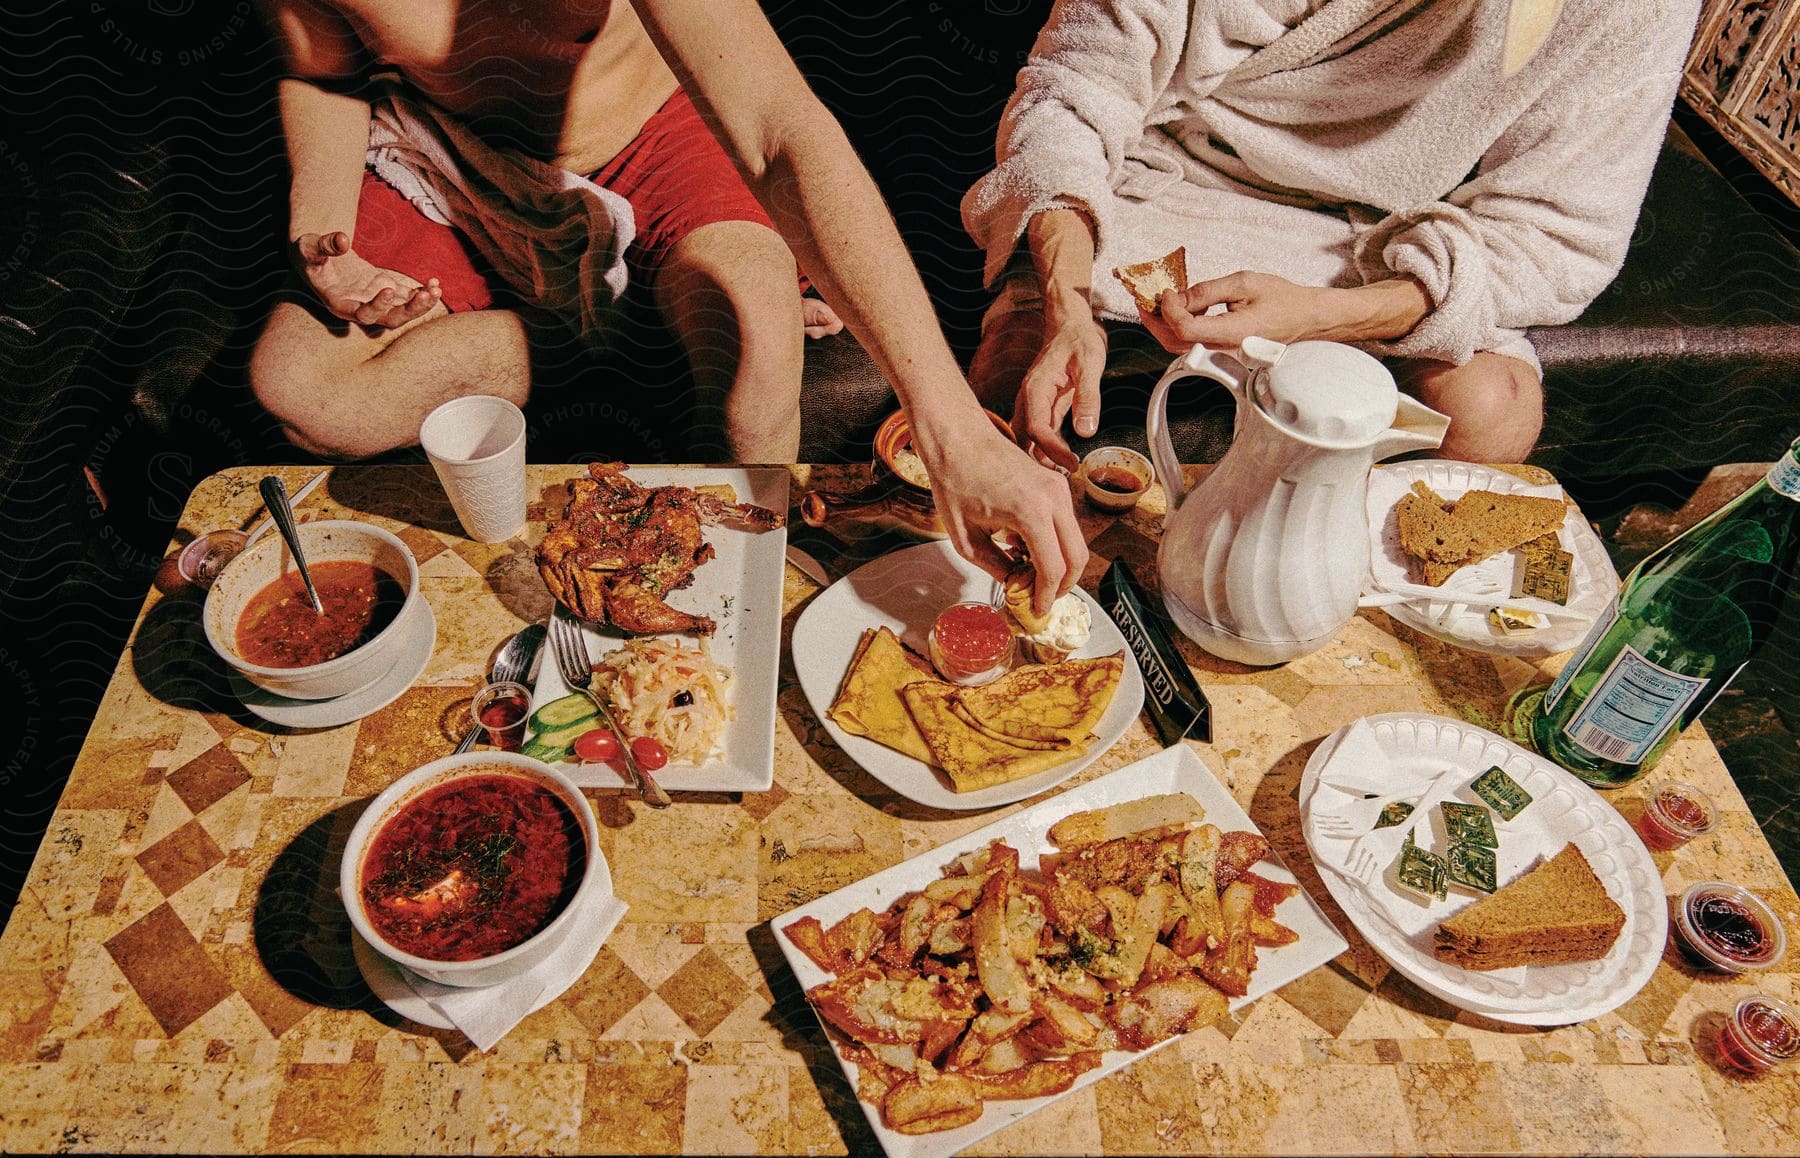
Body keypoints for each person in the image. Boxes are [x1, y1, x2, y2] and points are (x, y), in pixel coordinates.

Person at [251, 0, 1085, 611]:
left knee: (757, 333)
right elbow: (320, 70)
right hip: (460, 164)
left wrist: (954, 428)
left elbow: (774, 126)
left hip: (653, 134)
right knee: (306, 395)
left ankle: (730, 624)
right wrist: (326, 241)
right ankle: (624, 327)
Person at [962, 0, 1702, 467]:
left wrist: (1329, 315)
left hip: (1369, 240)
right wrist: (1064, 293)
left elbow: (1559, 233)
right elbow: (1078, 88)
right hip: (1170, 171)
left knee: (1494, 410)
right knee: (1019, 383)